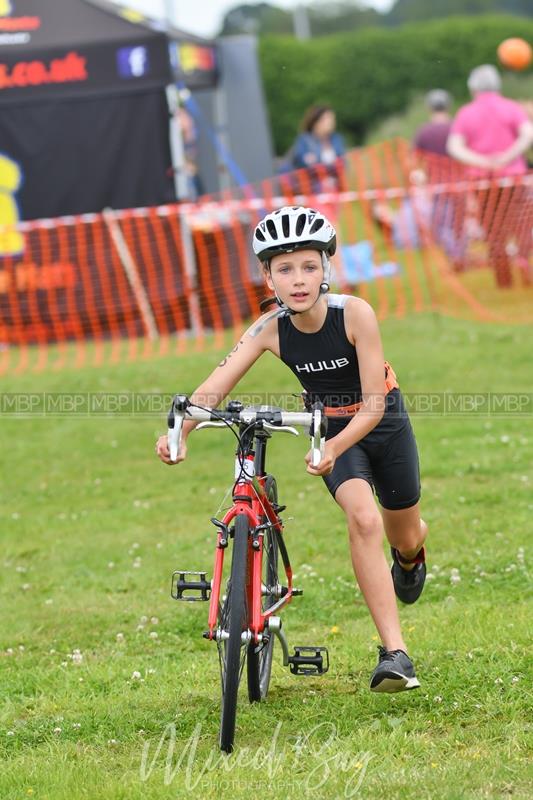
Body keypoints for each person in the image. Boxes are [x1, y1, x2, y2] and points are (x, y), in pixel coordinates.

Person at [156, 206, 428, 693]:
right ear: (267, 276)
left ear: (326, 268)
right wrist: (181, 431)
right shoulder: (269, 330)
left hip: (379, 423)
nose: (298, 280)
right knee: (363, 517)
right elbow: (212, 388)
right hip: (329, 432)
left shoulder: (355, 314)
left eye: (309, 266)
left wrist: (332, 445)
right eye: (285, 269)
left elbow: (371, 405)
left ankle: (409, 558)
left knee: (403, 531)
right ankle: (395, 655)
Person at [447, 65, 533, 286]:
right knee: (521, 224)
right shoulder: (511, 107)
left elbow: (454, 147)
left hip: (482, 181)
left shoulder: (466, 113)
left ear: (473, 88)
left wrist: (482, 162)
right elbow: (527, 134)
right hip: (514, 177)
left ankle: (503, 279)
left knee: (493, 229)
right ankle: (525, 262)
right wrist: (508, 157)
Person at [413, 89, 453, 158]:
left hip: (432, 168)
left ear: (429, 107)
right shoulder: (457, 127)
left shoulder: (423, 131)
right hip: (457, 168)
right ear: (449, 106)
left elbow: (414, 156)